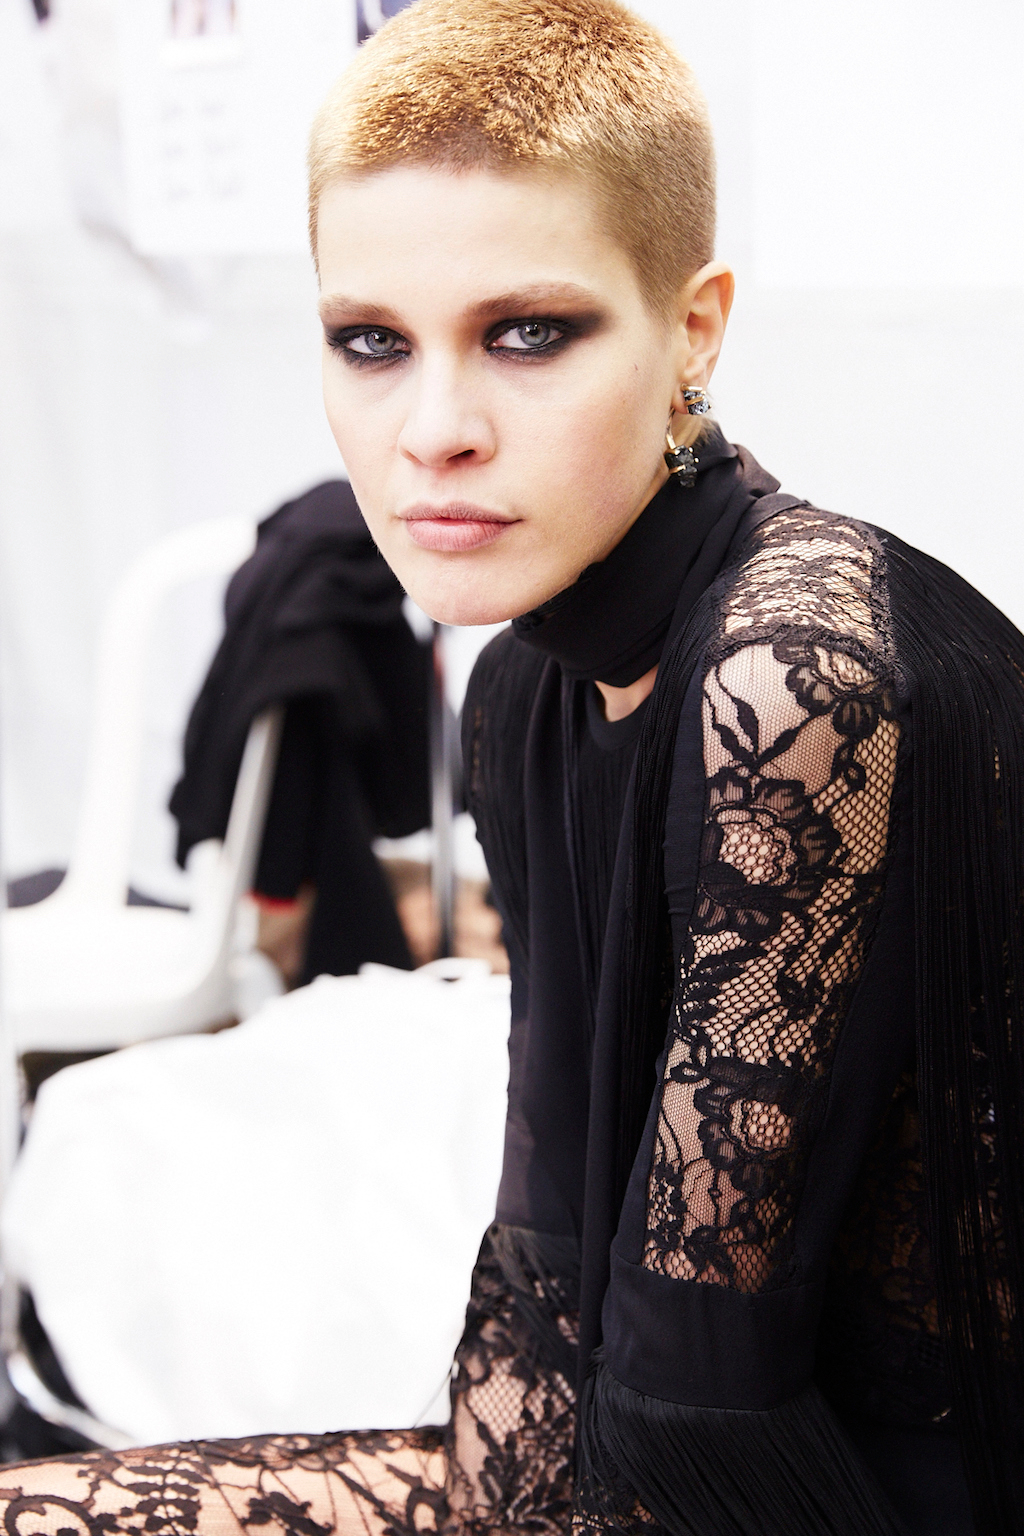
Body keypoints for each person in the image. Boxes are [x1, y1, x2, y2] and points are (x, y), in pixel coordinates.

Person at [3, 2, 1021, 1532]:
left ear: (694, 330)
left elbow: (699, 1400)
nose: (434, 431)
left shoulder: (796, 682)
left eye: (528, 332)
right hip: (686, 1452)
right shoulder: (524, 695)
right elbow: (545, 1289)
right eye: (370, 342)